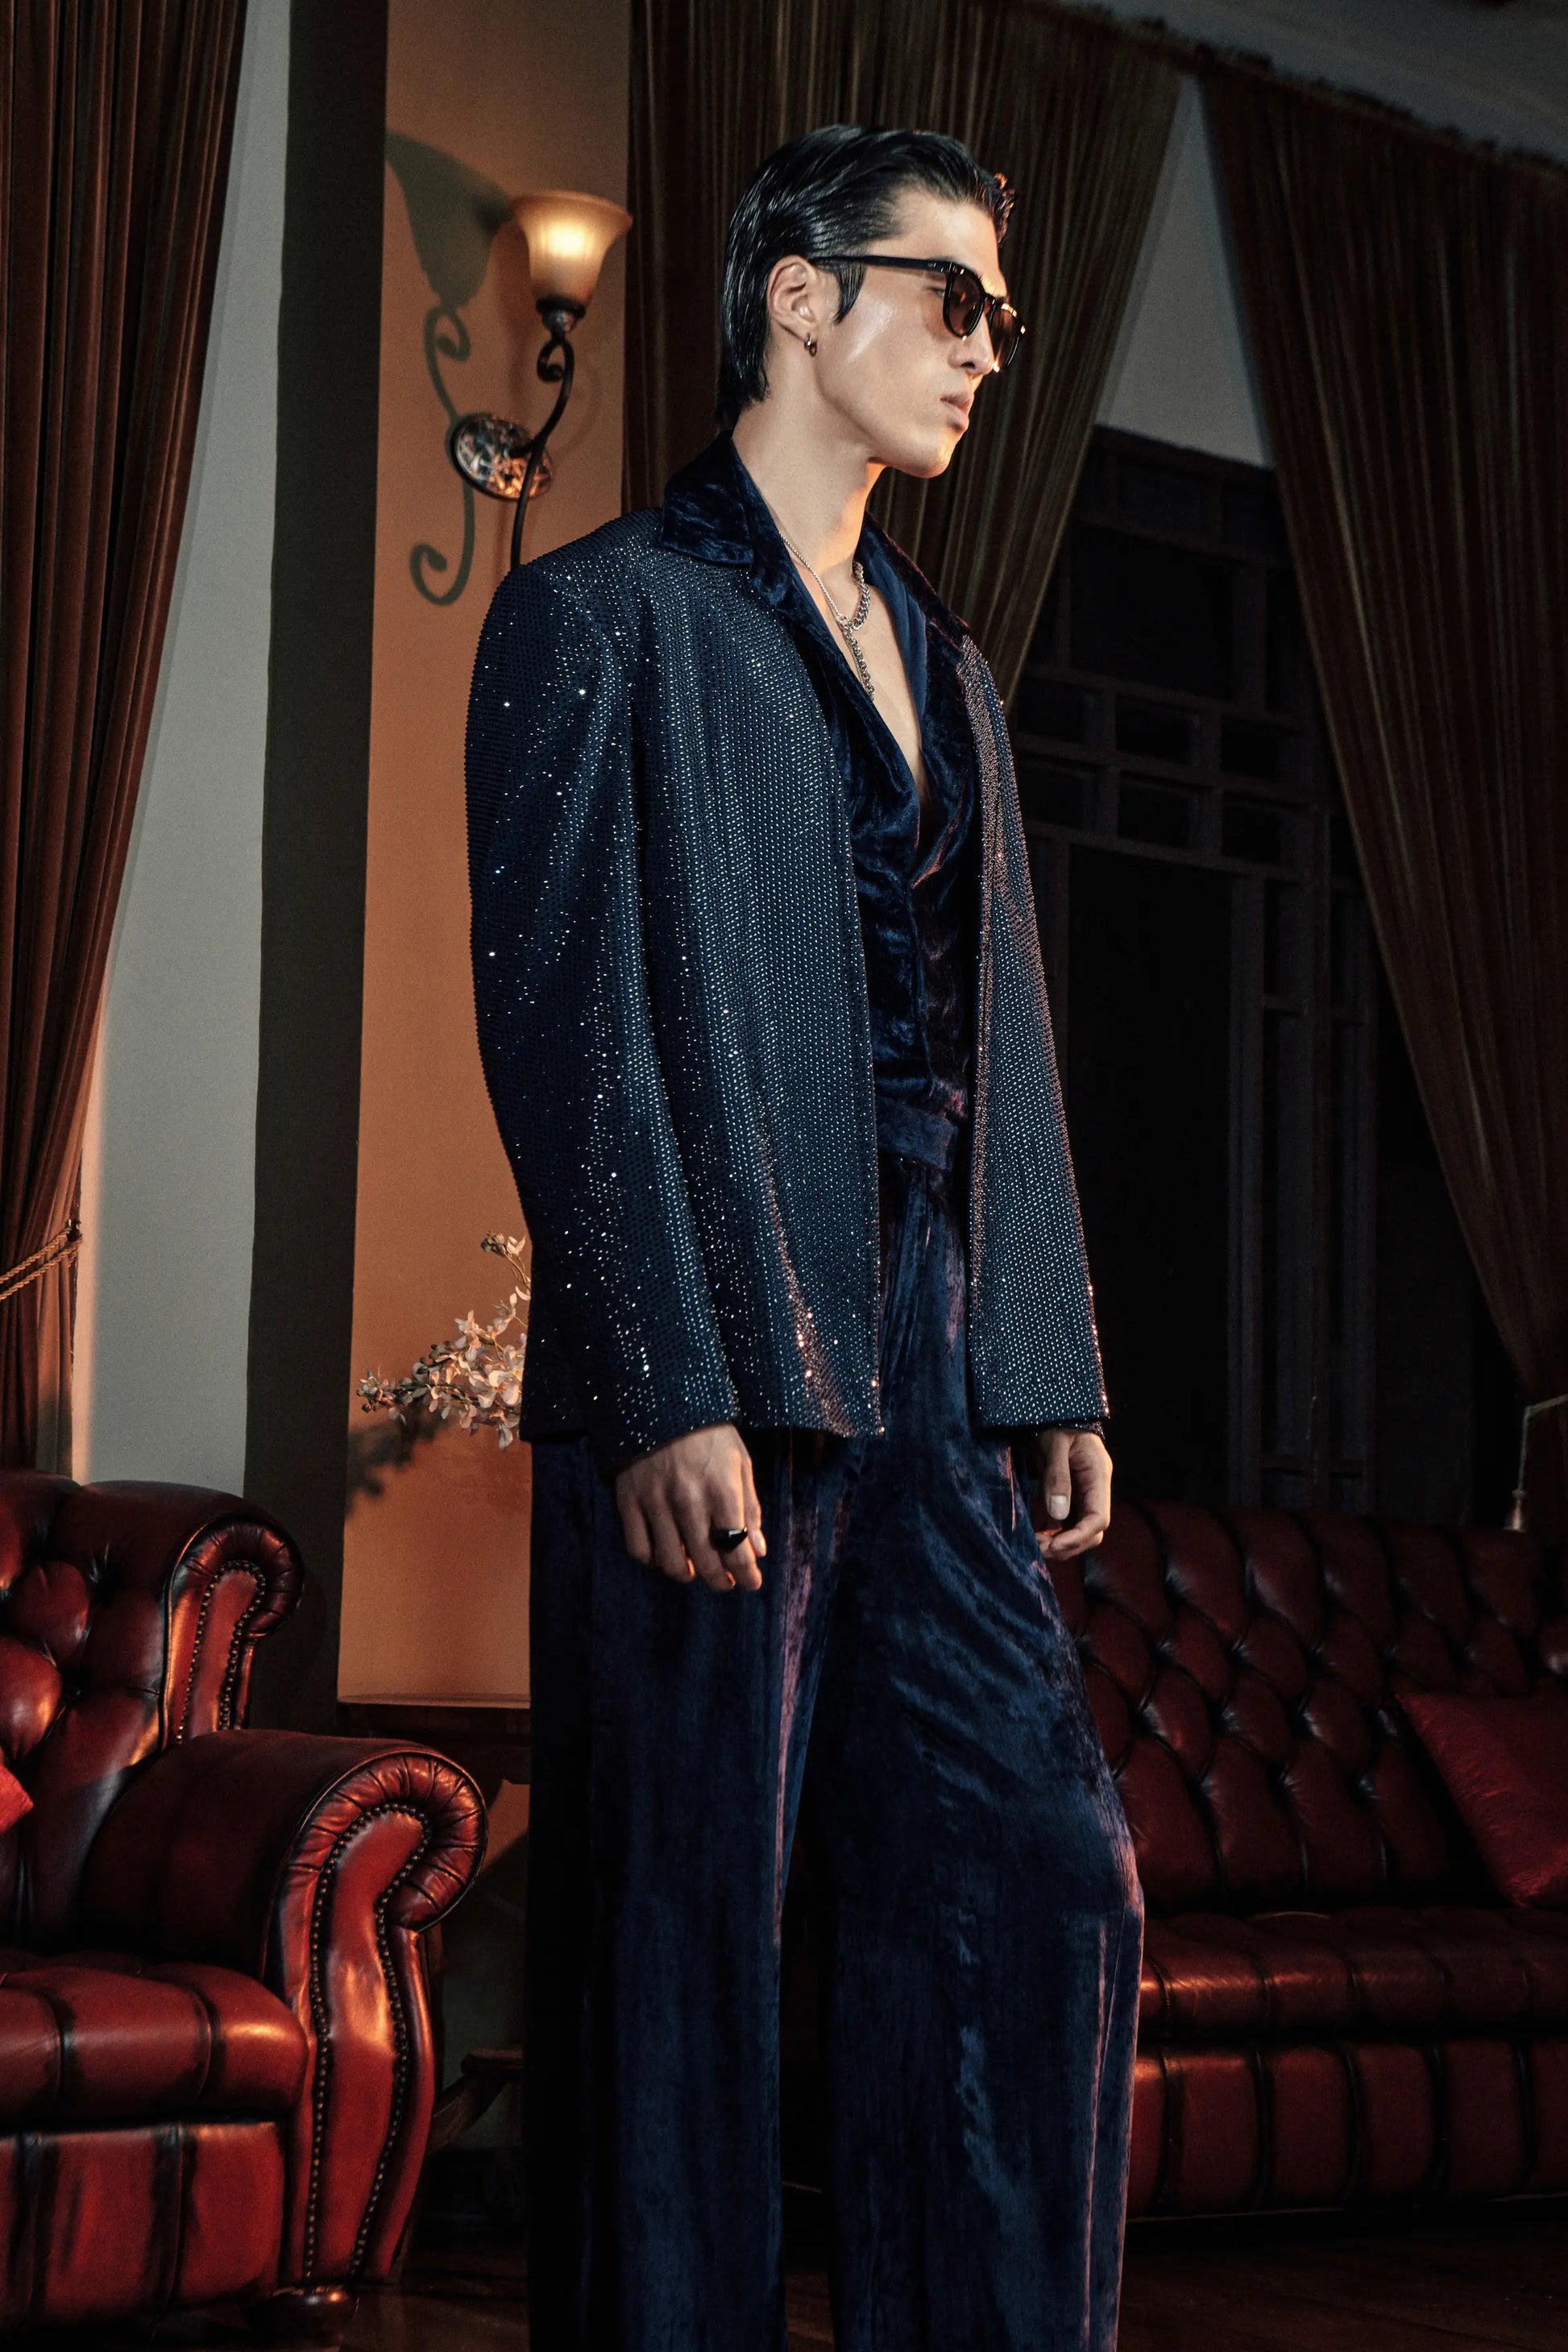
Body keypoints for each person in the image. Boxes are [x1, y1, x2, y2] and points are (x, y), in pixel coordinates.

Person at [465, 122, 1143, 2352]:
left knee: (1038, 1882)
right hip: (718, 1348)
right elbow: (569, 1031)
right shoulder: (601, 616)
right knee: (682, 1946)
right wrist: (656, 1383)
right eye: (953, 299)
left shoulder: (950, 665)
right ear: (798, 297)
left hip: (935, 1360)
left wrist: (1041, 1355)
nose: (987, 351)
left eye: (1002, 316)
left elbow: (1000, 1020)